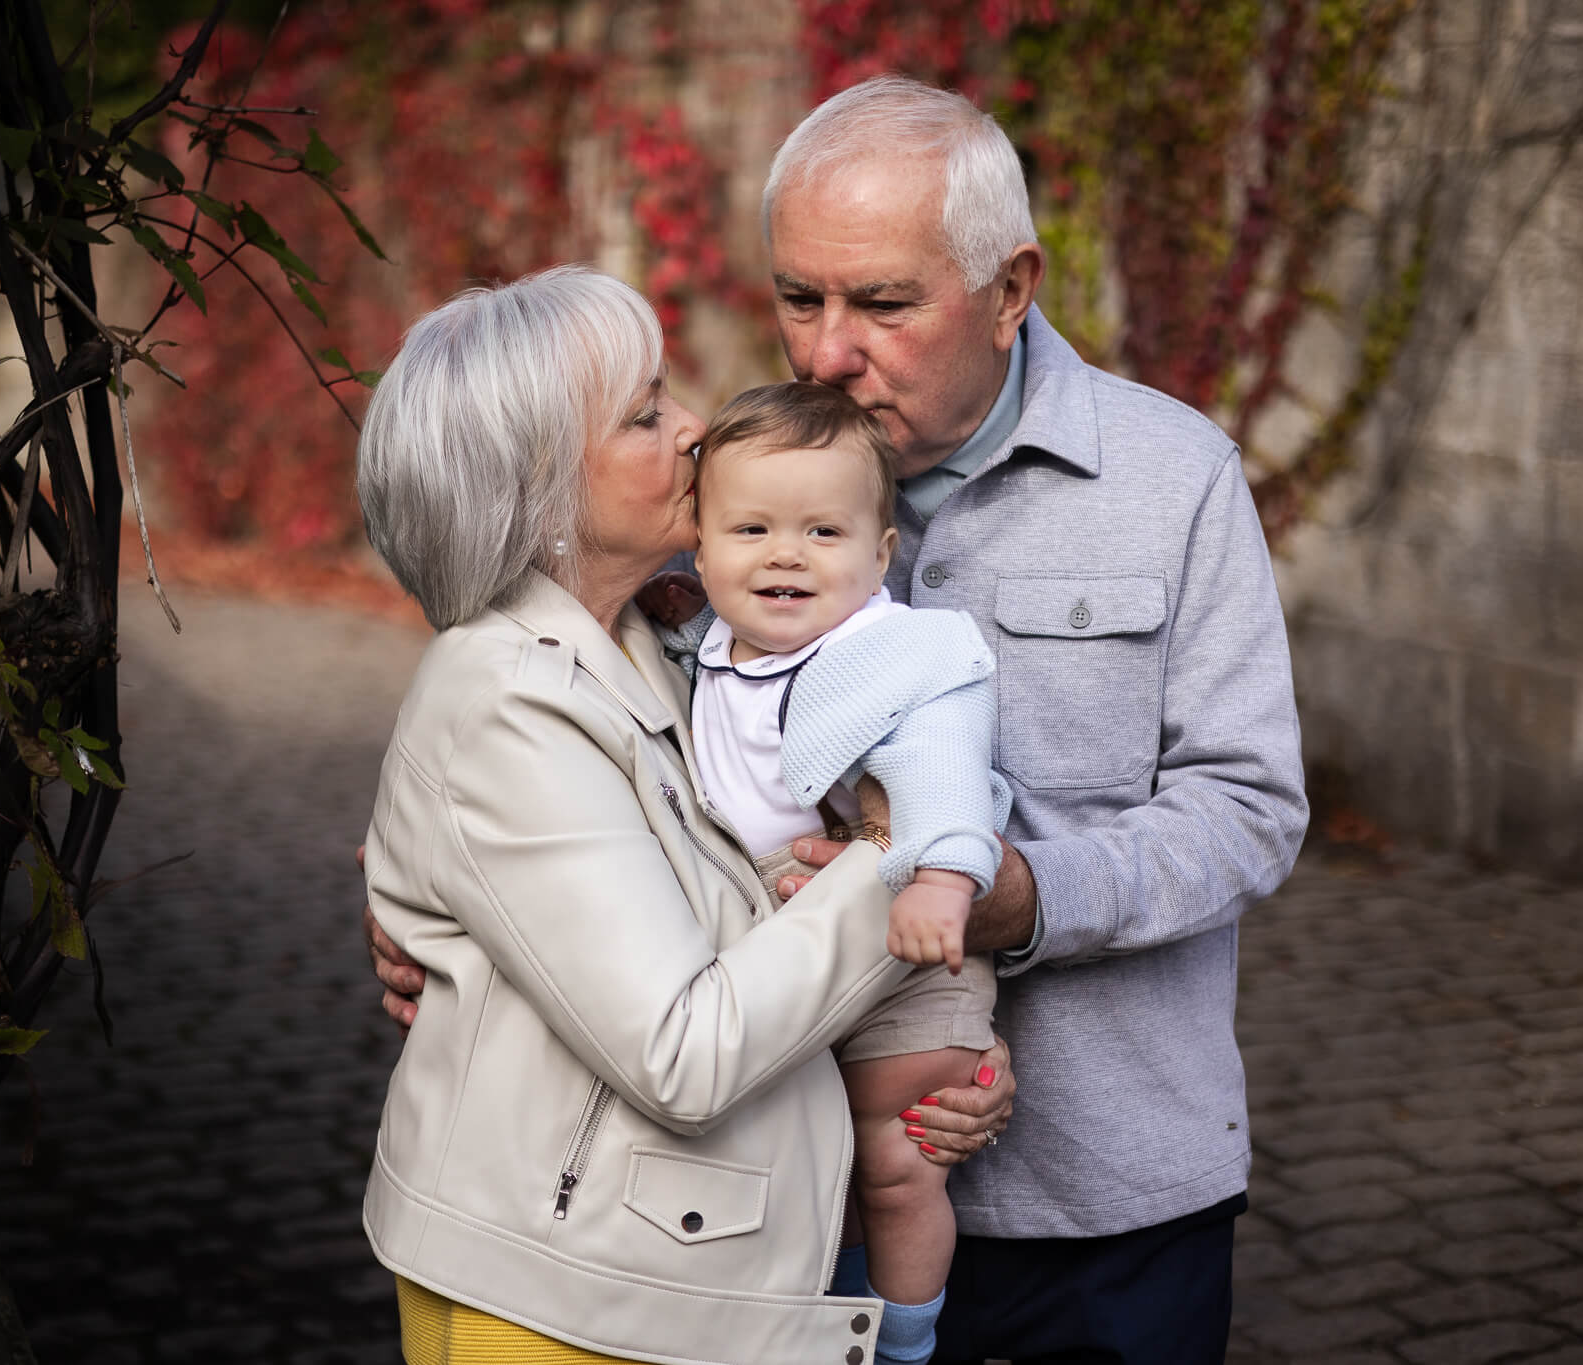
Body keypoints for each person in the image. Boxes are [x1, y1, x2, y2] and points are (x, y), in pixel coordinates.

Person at [371, 75, 1309, 1364]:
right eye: (797, 298)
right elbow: (565, 728)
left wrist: (1022, 897)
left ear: (1009, 288)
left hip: (1105, 1193)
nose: (822, 354)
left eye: (879, 303)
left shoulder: (1173, 477)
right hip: (802, 1198)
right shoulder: (725, 483)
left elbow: (1247, 810)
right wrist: (438, 894)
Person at [351, 263, 1002, 1365]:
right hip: (561, 1308)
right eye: (645, 412)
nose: (695, 425)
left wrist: (939, 1050)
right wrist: (894, 860)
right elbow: (684, 1052)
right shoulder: (510, 700)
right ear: (542, 483)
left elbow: (727, 901)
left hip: (659, 1277)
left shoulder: (662, 639)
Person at [660, 380, 1007, 1365]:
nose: (786, 554)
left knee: (895, 1161)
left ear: (880, 554)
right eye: (752, 529)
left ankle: (904, 1339)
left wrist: (941, 879)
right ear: (699, 547)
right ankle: (816, 1328)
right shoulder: (698, 641)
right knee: (806, 1170)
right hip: (770, 945)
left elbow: (944, 769)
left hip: (902, 940)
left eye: (823, 531)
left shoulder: (893, 654)